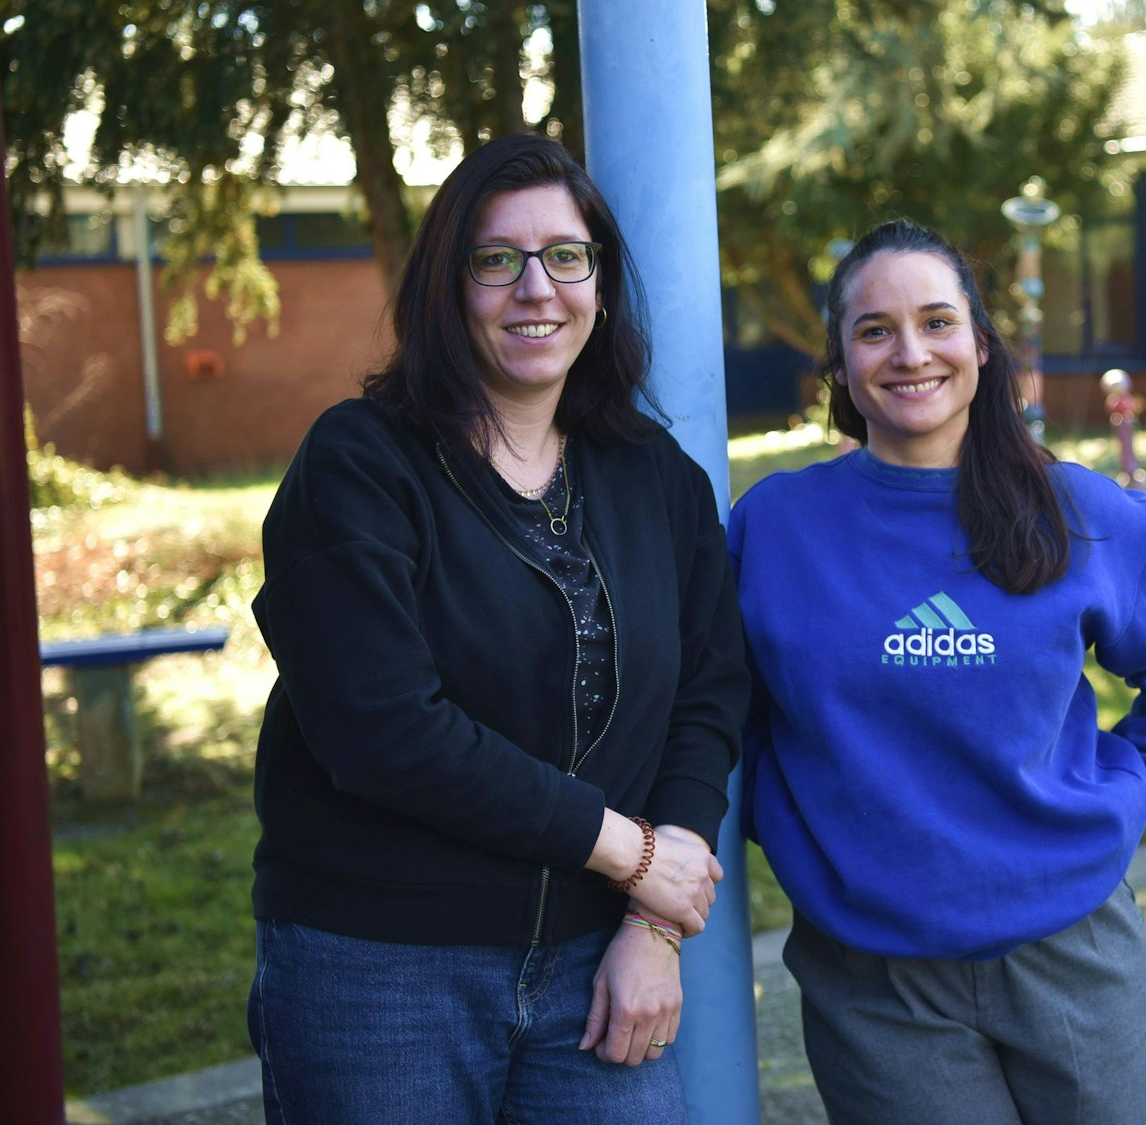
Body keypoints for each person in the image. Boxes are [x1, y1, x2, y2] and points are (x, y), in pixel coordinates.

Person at [247, 134, 749, 1123]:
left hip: (596, 965)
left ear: (599, 286)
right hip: (381, 967)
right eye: (496, 259)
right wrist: (632, 854)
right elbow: (384, 730)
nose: (536, 287)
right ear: (449, 284)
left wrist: (652, 921)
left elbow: (707, 692)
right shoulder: (360, 465)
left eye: (566, 256)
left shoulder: (655, 477)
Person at [728, 219, 1146, 1124]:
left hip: (1071, 946)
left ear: (979, 346)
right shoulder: (774, 527)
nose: (910, 352)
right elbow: (726, 712)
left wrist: (1127, 780)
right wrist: (793, 820)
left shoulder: (1076, 508)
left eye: (937, 321)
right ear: (840, 367)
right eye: (874, 329)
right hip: (874, 974)